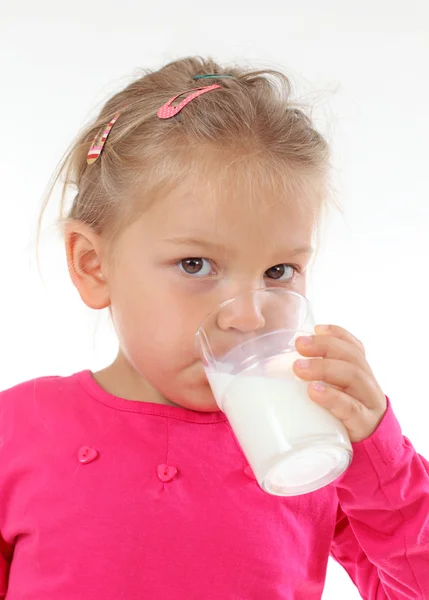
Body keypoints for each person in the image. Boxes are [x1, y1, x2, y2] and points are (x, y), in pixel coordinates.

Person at [0, 56, 428, 600]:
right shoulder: (16, 430)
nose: (248, 316)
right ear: (92, 264)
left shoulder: (311, 450)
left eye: (279, 272)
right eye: (195, 265)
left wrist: (378, 456)